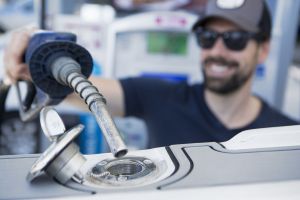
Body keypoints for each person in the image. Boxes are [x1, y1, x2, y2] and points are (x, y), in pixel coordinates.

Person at [3, 0, 299, 148]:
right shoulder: (161, 97)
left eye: (235, 39)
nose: (218, 51)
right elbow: (70, 85)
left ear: (262, 50)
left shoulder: (286, 136)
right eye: (207, 37)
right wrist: (32, 49)